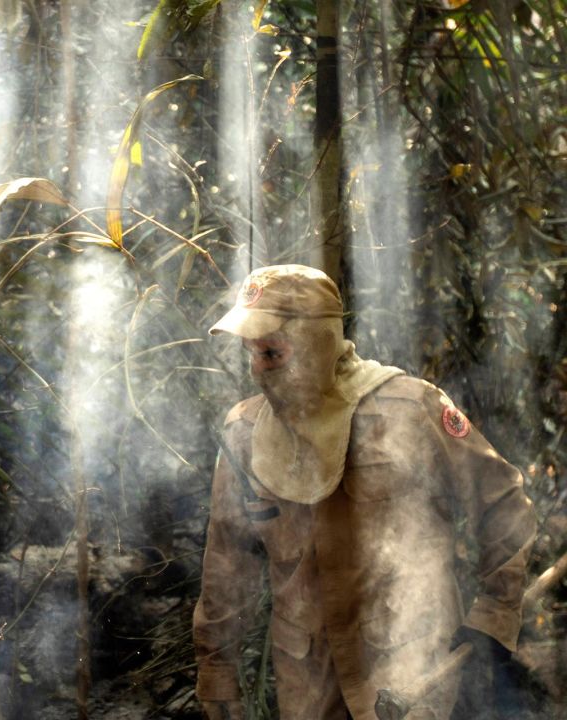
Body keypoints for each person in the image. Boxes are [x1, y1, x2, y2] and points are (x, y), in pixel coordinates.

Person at [193, 265, 536, 720]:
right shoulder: (245, 431)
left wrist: (494, 612)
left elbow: (502, 501)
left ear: (316, 344)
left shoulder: (410, 408)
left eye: (271, 353)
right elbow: (226, 563)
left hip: (412, 666)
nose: (257, 371)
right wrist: (217, 672)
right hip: (308, 680)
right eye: (250, 354)